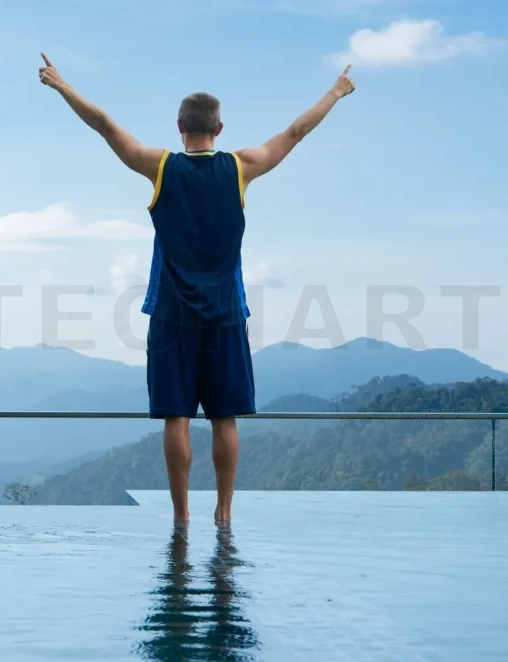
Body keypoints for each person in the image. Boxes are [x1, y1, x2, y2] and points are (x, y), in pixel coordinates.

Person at [38, 54, 356, 522]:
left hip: (171, 315)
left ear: (180, 125)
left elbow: (106, 126)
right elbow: (295, 133)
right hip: (226, 312)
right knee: (224, 417)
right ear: (220, 128)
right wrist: (336, 91)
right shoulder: (242, 167)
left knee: (177, 416)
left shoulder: (161, 166)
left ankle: (181, 515)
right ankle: (224, 512)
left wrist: (62, 85)